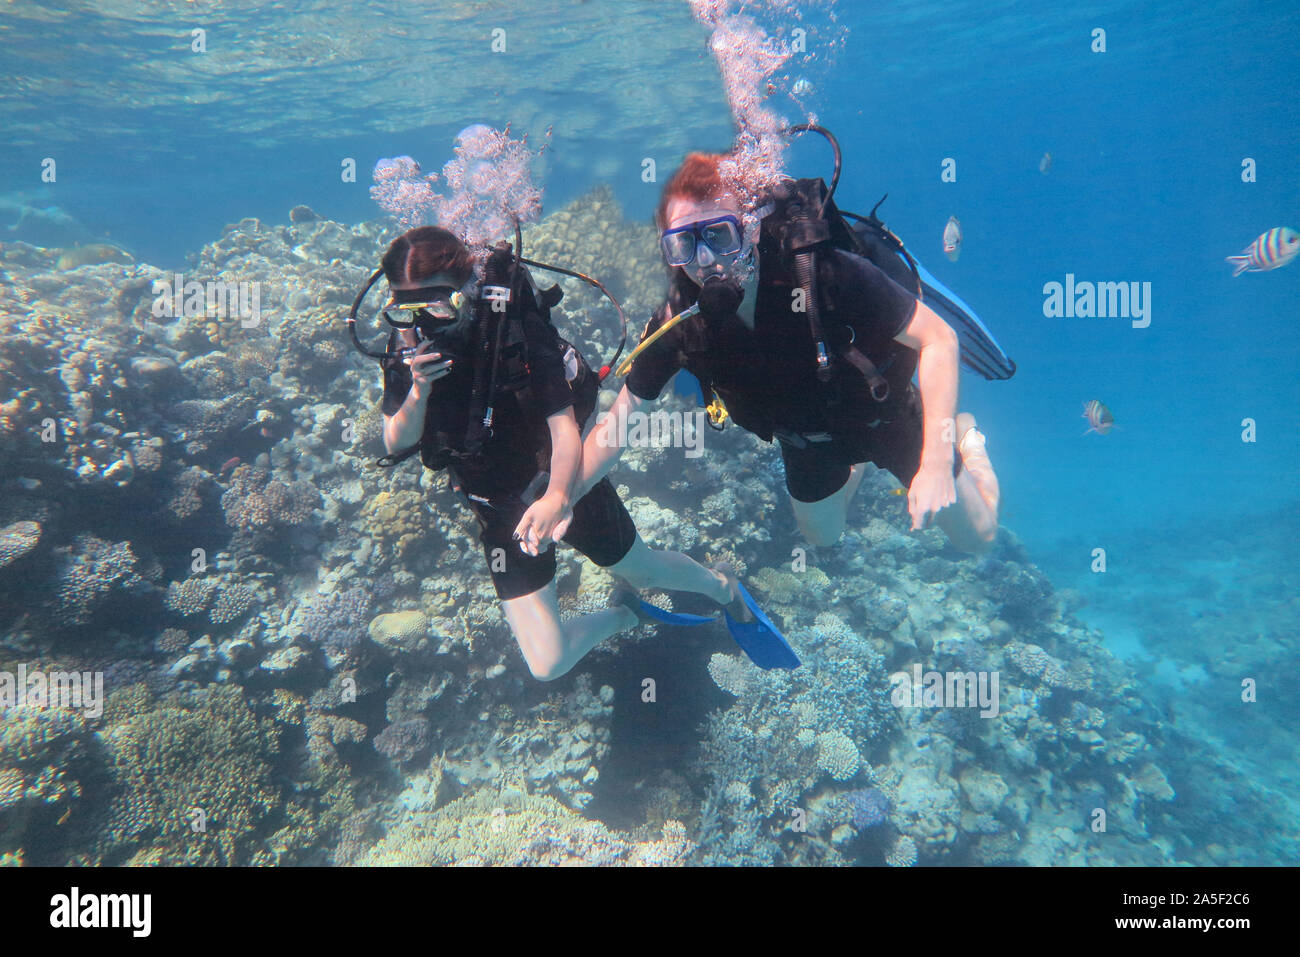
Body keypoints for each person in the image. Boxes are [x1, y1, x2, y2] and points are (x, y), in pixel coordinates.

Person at [578, 153, 1001, 554]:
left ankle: (966, 435)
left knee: (977, 538)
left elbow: (939, 339)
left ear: (751, 226)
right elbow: (621, 419)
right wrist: (561, 497)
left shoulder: (824, 272)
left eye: (719, 235)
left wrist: (937, 460)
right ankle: (855, 466)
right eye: (682, 244)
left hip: (886, 418)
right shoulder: (678, 320)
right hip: (805, 441)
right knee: (823, 538)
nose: (705, 261)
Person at [376, 226, 748, 680]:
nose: (422, 323)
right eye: (404, 309)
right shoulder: (407, 347)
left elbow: (564, 427)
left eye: (435, 304)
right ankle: (629, 614)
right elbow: (395, 441)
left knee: (645, 570)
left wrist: (557, 497)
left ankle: (724, 586)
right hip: (496, 510)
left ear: (467, 291)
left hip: (562, 481)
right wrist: (418, 389)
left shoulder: (513, 331)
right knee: (547, 664)